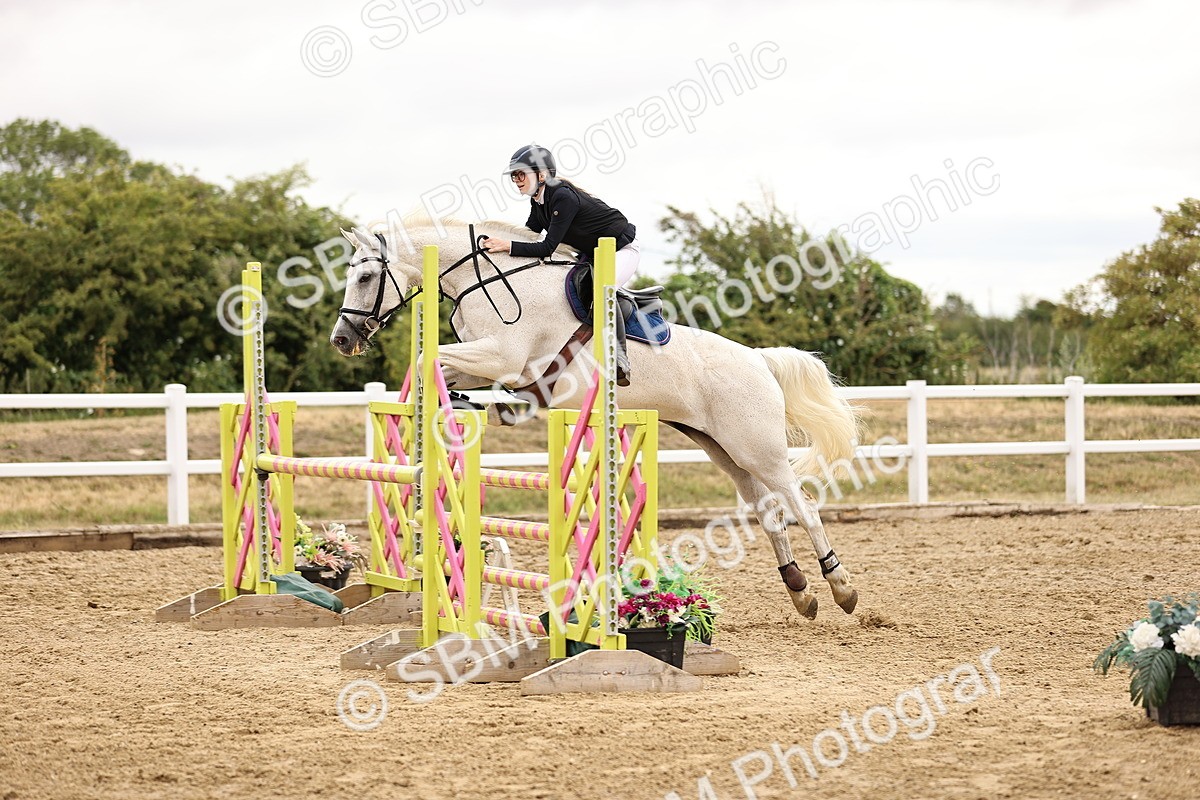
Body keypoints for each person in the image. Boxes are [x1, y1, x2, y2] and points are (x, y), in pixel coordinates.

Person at [482, 144, 639, 385]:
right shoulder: (538, 202)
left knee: (604, 290)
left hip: (621, 249)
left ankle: (620, 357)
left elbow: (546, 248)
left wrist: (506, 245)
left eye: (521, 174)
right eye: (514, 176)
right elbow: (529, 236)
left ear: (542, 174)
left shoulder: (562, 196)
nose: (517, 180)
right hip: (593, 254)